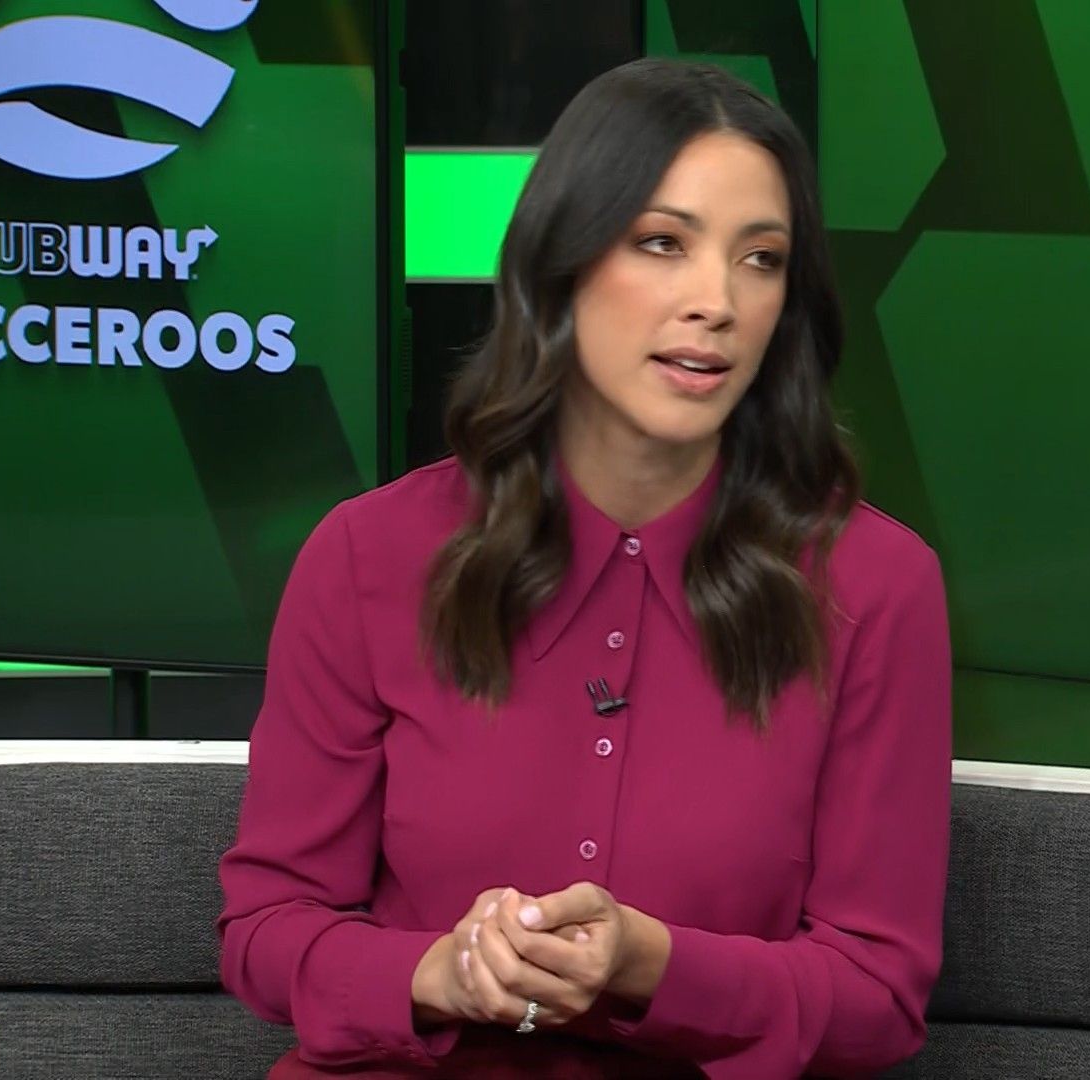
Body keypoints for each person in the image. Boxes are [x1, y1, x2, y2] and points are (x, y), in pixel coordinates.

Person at [217, 56, 953, 1079]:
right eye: (662, 242)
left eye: (761, 259)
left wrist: (649, 963)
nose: (717, 301)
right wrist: (441, 970)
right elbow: (265, 933)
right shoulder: (368, 556)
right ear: (560, 263)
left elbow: (878, 997)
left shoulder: (875, 587)